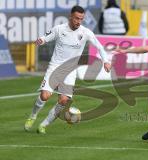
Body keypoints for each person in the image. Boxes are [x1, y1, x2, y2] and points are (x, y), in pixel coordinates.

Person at [24, 5, 111, 134]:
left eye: (81, 19)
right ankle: (32, 116)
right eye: (76, 18)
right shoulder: (59, 29)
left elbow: (100, 47)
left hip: (70, 71)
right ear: (70, 16)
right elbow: (45, 37)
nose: (78, 21)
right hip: (55, 67)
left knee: (64, 100)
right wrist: (40, 40)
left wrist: (106, 61)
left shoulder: (86, 32)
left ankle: (43, 124)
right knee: (45, 95)